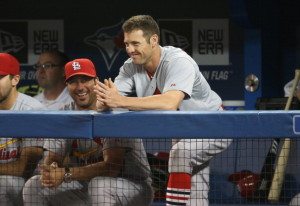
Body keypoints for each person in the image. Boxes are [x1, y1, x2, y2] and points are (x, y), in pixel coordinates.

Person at [94, 15, 232, 206]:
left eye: (135, 43)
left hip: (213, 124)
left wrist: (118, 100)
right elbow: (111, 98)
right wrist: (104, 102)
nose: (130, 50)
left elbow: (170, 102)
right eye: (126, 44)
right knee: (196, 196)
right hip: (183, 129)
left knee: (180, 154)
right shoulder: (130, 66)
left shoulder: (178, 61)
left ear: (153, 40)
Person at [22, 58, 154, 206]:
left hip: (133, 186)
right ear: (67, 84)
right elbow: (53, 158)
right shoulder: (64, 114)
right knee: (34, 185)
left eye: (85, 80)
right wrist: (51, 170)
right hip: (85, 185)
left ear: (96, 81)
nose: (80, 87)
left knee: (100, 185)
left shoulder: (115, 110)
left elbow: (111, 168)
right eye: (73, 82)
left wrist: (65, 173)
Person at [0, 53, 44, 205]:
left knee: (2, 183)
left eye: (0, 77)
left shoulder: (31, 110)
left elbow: (24, 168)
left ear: (15, 80)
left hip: (30, 184)